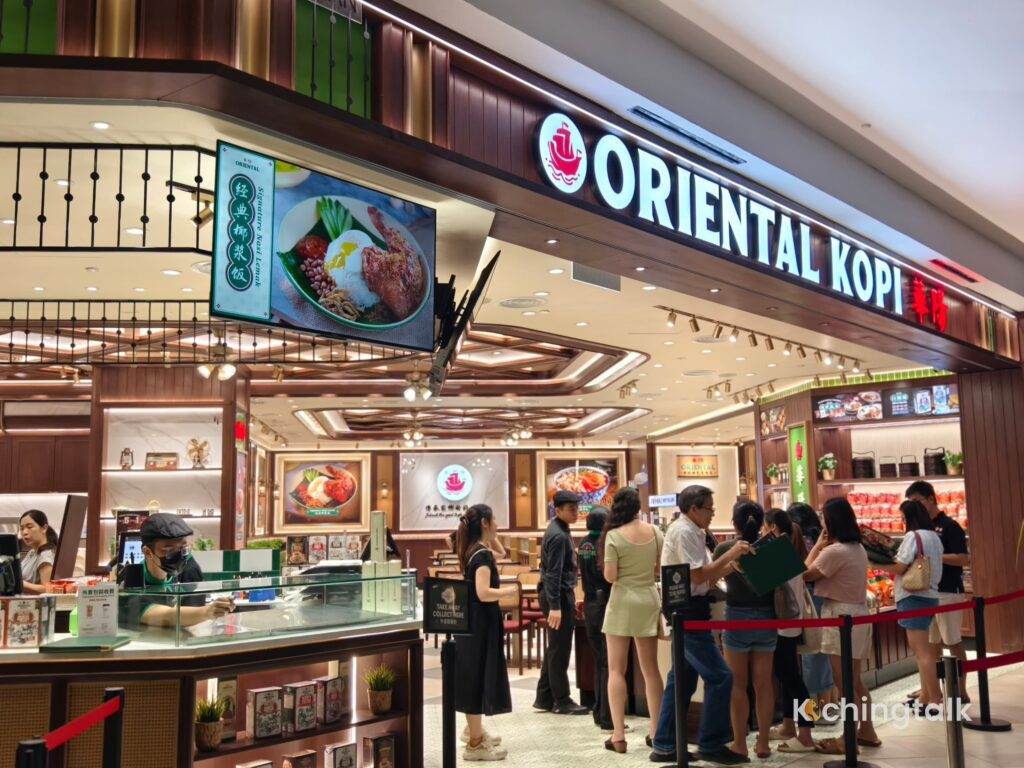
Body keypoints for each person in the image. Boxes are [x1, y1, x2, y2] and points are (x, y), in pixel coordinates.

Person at [650, 485, 751, 766]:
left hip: (691, 609)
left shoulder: (694, 531)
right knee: (721, 677)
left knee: (681, 680)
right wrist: (730, 555)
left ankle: (665, 743)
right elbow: (696, 576)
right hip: (687, 612)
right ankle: (711, 744)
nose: (712, 514)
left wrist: (733, 564)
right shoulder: (684, 531)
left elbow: (706, 576)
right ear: (693, 508)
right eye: (709, 509)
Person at [803, 497, 880, 753]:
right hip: (858, 613)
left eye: (824, 517)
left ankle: (848, 739)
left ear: (831, 521)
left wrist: (817, 546)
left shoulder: (834, 552)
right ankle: (866, 730)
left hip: (839, 616)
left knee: (844, 681)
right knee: (854, 680)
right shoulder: (857, 548)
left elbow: (804, 573)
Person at [600, 487, 664, 753]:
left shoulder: (614, 535)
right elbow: (659, 568)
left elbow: (611, 576)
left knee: (617, 670)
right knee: (651, 670)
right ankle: (656, 731)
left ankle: (618, 735)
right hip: (648, 599)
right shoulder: (655, 532)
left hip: (622, 601)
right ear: (638, 507)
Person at [715, 501, 775, 760]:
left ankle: (739, 743)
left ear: (734, 523)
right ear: (761, 523)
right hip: (767, 617)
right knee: (764, 683)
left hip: (736, 616)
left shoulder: (726, 548)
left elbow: (712, 579)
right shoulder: (771, 547)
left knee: (738, 684)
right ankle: (763, 742)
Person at [455, 504, 516, 761]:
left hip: (474, 623)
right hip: (479, 624)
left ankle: (474, 729)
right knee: (476, 677)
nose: (498, 524)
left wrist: (491, 534)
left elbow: (500, 553)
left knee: (475, 675)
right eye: (495, 520)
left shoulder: (475, 549)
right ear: (484, 523)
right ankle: (475, 744)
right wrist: (509, 590)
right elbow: (483, 593)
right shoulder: (480, 556)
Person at [905, 480, 970, 701]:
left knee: (953, 641)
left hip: (948, 591)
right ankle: (931, 690)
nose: (915, 507)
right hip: (925, 593)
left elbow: (963, 558)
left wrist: (934, 556)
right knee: (931, 645)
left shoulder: (950, 526)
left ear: (931, 499)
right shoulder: (920, 529)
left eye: (917, 501)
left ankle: (961, 690)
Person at [119, 512, 233, 630]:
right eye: (169, 550)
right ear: (148, 552)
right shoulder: (130, 581)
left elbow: (192, 610)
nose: (179, 555)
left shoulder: (188, 567)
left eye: (183, 548)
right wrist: (207, 612)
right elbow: (164, 616)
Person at [884, 500, 945, 710]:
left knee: (922, 652)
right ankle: (925, 697)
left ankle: (935, 699)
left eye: (903, 517)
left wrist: (876, 562)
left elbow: (900, 567)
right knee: (924, 649)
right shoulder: (934, 536)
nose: (902, 521)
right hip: (931, 595)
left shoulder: (913, 536)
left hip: (913, 596)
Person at [764, 508, 816, 754]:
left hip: (784, 625)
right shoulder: (790, 549)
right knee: (788, 678)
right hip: (792, 623)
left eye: (765, 527)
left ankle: (806, 733)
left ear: (772, 527)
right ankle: (788, 726)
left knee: (793, 680)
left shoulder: (779, 551)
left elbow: (764, 585)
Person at [533, 490, 589, 715]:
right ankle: (562, 700)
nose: (576, 512)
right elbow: (553, 574)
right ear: (557, 510)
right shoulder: (558, 535)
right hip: (555, 595)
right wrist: (555, 606)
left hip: (558, 594)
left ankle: (544, 697)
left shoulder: (561, 528)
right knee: (560, 649)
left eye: (577, 508)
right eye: (571, 509)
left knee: (555, 647)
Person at [786, 503, 836, 714]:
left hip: (808, 598)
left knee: (812, 653)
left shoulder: (802, 540)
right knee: (822, 653)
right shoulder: (822, 539)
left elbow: (801, 573)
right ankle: (829, 704)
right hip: (824, 596)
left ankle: (816, 709)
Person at [577, 505, 613, 731]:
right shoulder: (604, 543)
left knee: (600, 660)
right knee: (608, 662)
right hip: (604, 604)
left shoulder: (583, 543)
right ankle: (607, 716)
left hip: (590, 603)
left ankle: (600, 712)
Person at [19, 510, 57, 594]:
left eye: (29, 527)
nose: (24, 532)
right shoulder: (32, 552)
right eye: (22, 528)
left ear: (44, 528)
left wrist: (19, 584)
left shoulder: (45, 555)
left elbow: (48, 590)